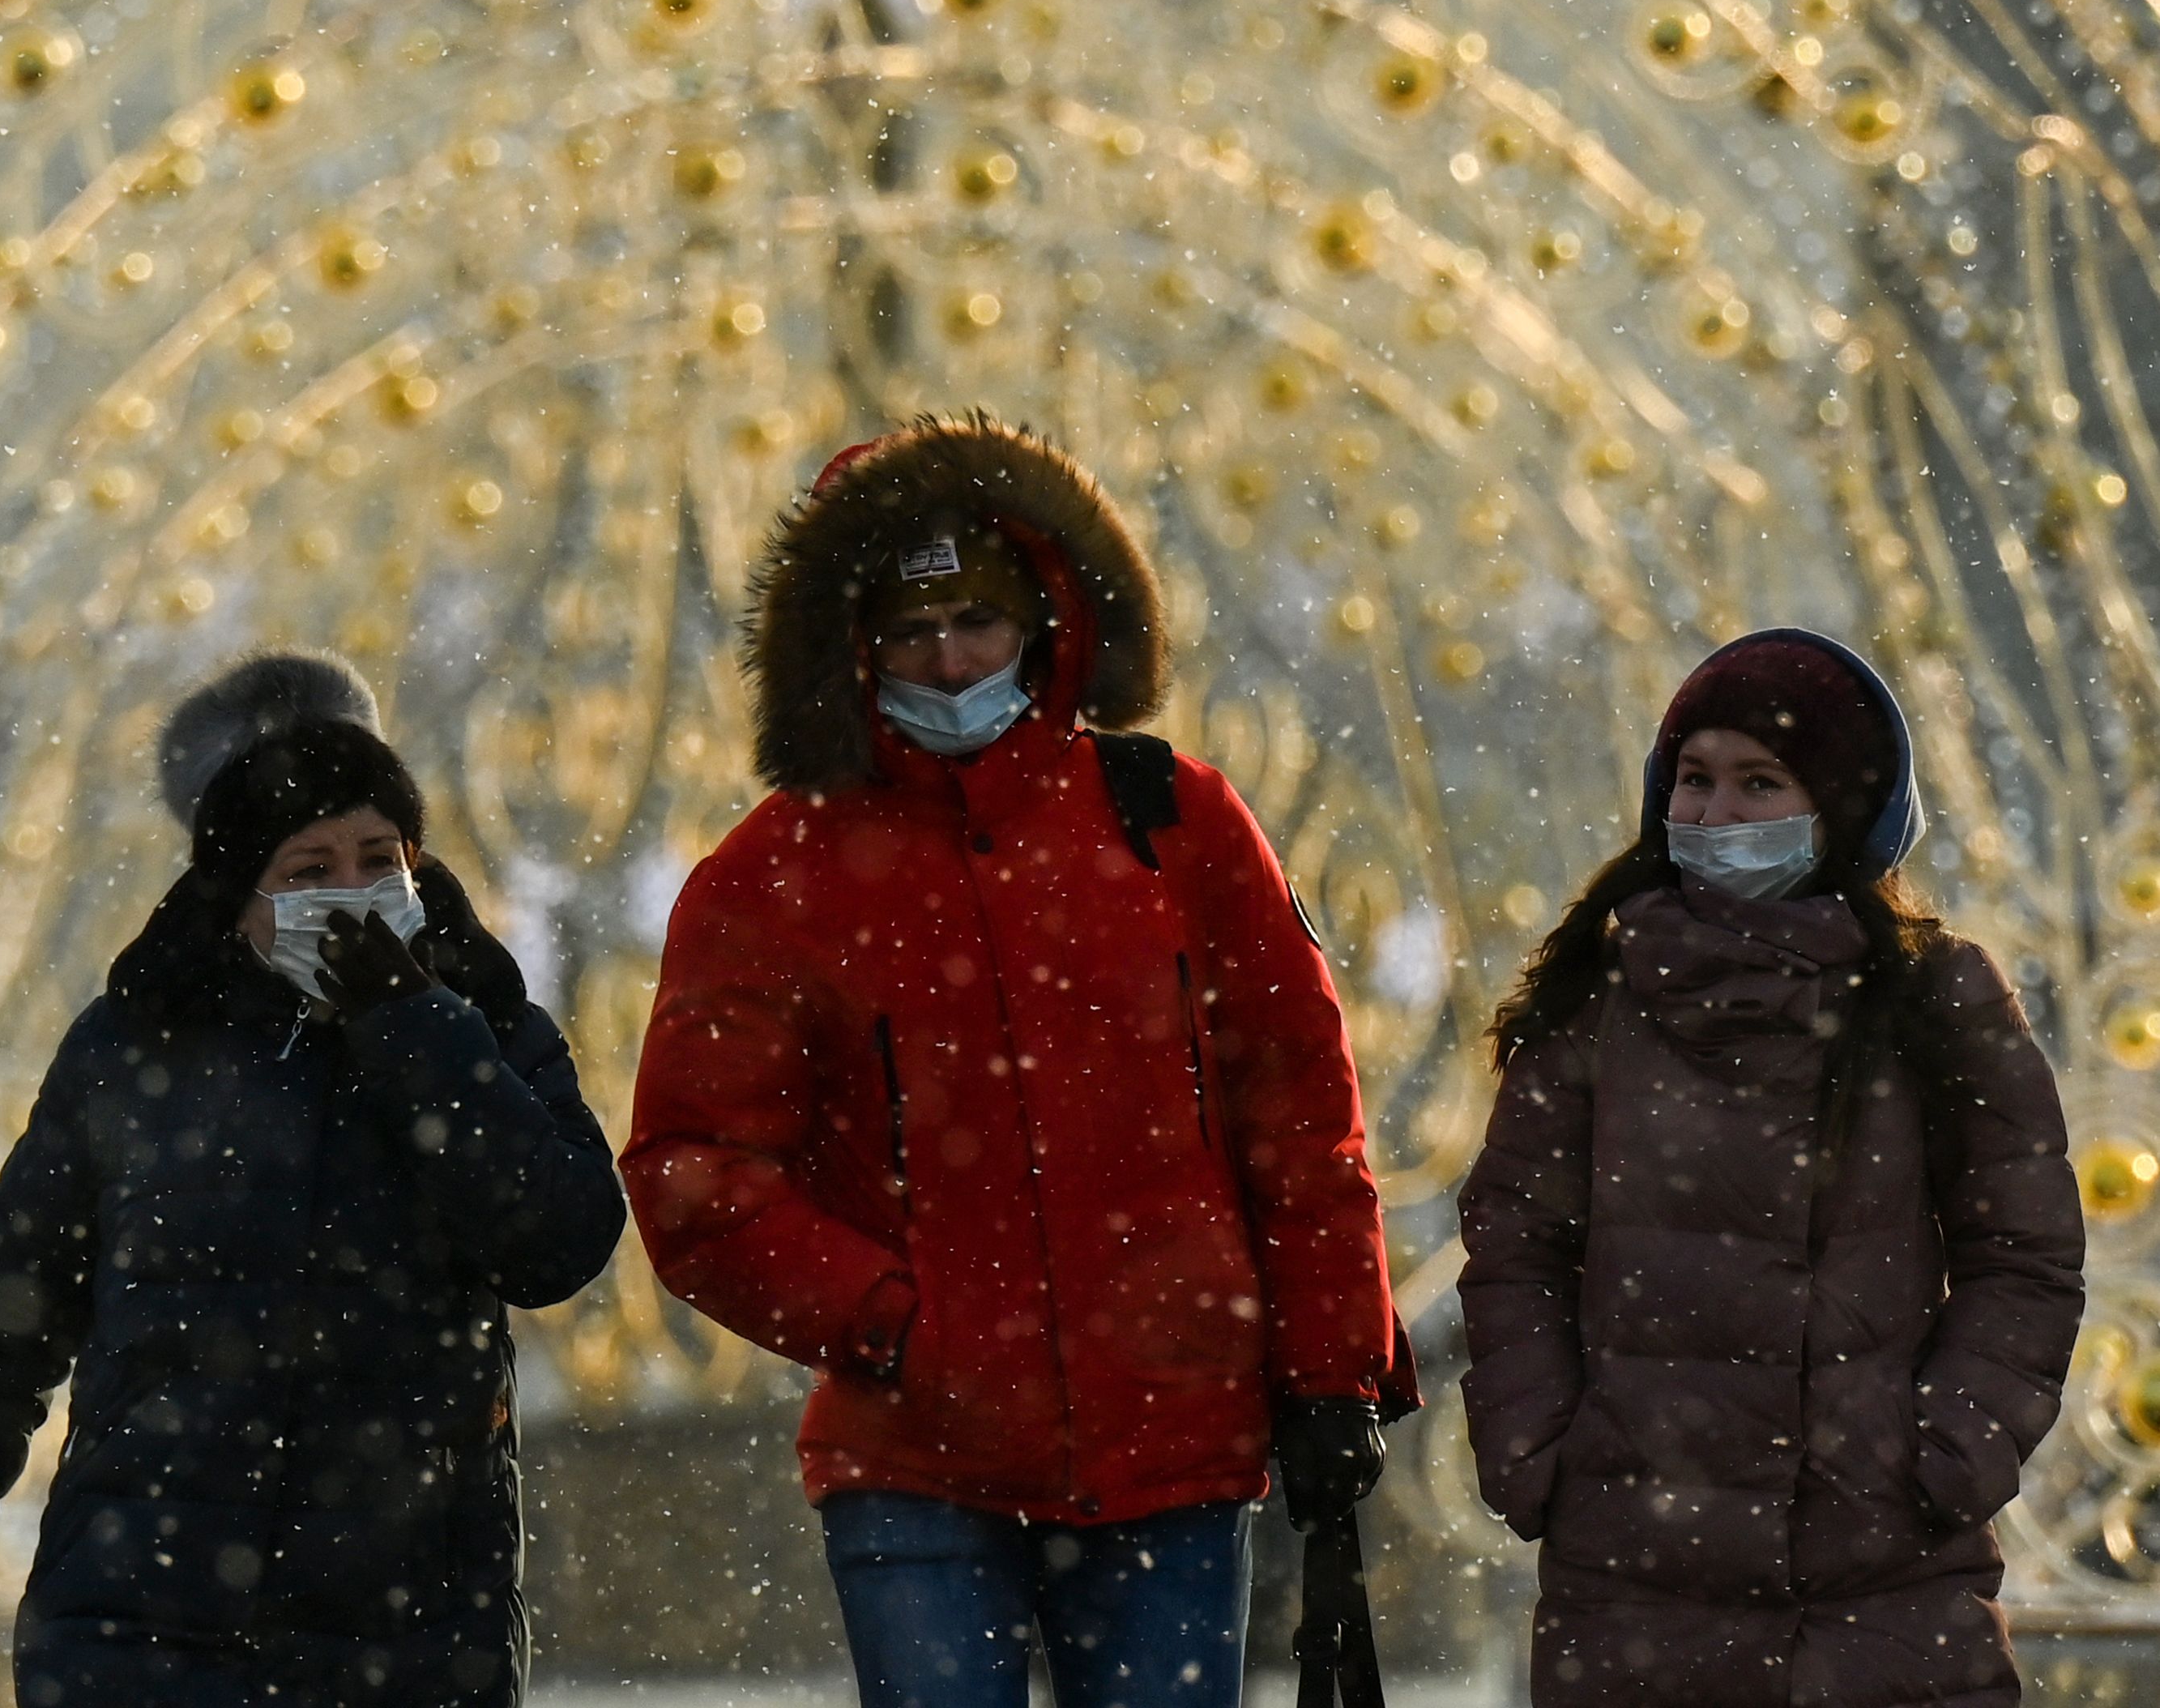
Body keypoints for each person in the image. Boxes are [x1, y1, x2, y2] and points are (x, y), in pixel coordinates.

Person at [621, 415, 1415, 1708]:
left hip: (1172, 1442)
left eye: (976, 622)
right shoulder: (772, 876)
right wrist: (895, 1323)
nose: (947, 661)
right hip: (917, 1459)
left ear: (1047, 619)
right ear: (851, 647)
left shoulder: (1175, 821)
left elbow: (1301, 1116)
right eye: (910, 633)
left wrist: (1335, 1373)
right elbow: (694, 1173)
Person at [0, 651, 627, 1706]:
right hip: (146, 1618)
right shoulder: (137, 1044)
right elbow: (9, 1306)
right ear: (234, 889)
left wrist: (412, 1031)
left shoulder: (481, 1021)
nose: (352, 899)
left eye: (375, 860)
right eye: (310, 872)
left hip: (407, 1624)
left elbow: (559, 1241)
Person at [1460, 628, 2083, 1708]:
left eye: (1759, 784)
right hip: (1636, 1582)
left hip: (1881, 1587)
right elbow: (1516, 1245)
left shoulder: (1934, 1001)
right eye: (1694, 780)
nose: (1716, 815)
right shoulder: (1595, 1000)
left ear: (1836, 806)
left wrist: (1940, 1454)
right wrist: (1541, 1452)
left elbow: (2023, 1256)